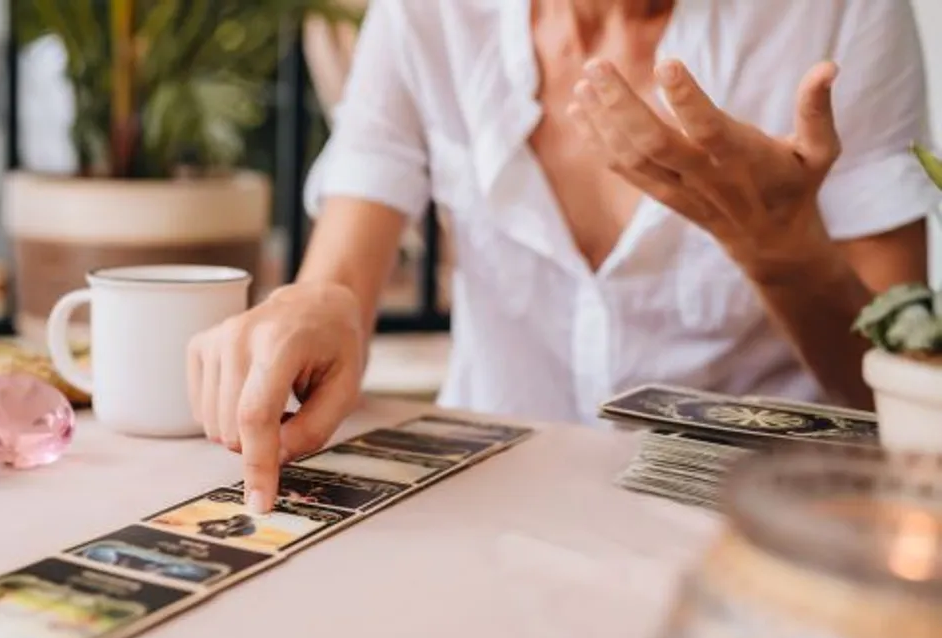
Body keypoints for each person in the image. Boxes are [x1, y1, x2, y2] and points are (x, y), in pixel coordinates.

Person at [187, 0, 936, 513]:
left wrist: (779, 250)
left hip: (759, 529)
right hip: (495, 507)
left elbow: (896, 404)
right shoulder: (430, 14)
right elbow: (341, 274)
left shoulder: (840, 14)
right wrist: (315, 304)